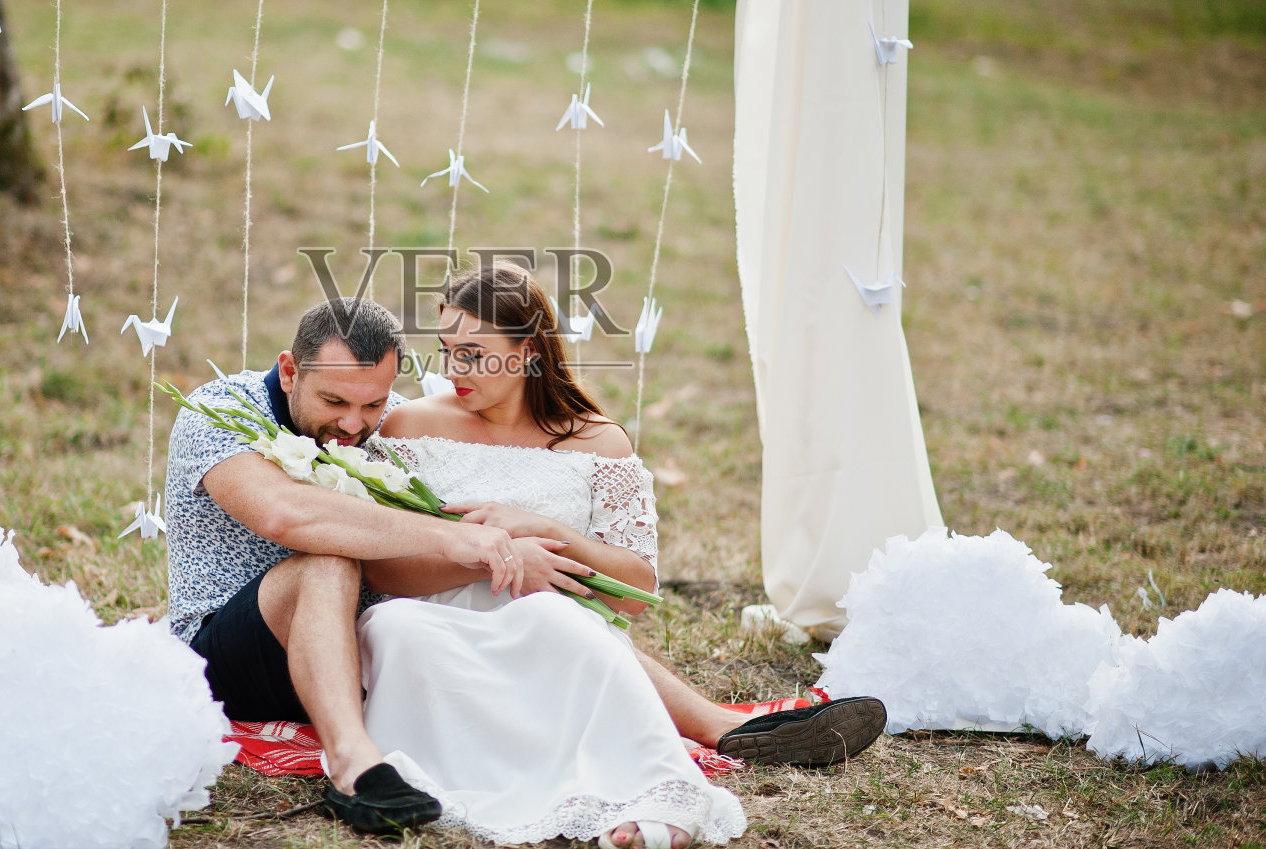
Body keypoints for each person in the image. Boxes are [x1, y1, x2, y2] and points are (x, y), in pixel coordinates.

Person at [352, 263, 883, 846]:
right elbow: (381, 571)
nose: (454, 370)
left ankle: (650, 787)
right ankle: (708, 728)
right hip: (434, 621)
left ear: (528, 351)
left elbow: (635, 592)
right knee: (394, 627)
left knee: (553, 617)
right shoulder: (409, 427)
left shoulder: (597, 441)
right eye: (448, 351)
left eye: (474, 355)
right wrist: (495, 555)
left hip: (549, 628)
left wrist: (550, 531)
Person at [163, 296, 598, 833]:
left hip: (365, 651)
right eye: (334, 400)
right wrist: (453, 538)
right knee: (329, 562)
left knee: (526, 624)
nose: (353, 423)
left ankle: (678, 722)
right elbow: (283, 515)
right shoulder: (221, 409)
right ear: (290, 371)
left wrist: (507, 551)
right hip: (233, 659)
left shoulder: (393, 424)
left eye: (373, 403)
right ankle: (353, 768)